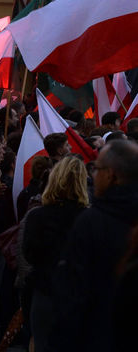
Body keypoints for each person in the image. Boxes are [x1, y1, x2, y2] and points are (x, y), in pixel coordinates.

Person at [49, 140, 138, 350]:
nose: (93, 175)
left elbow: (74, 294)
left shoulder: (91, 223)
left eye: (96, 169)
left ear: (112, 175)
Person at [21, 156, 88, 352]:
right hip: (77, 294)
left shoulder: (37, 216)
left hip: (45, 292)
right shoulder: (89, 218)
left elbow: (29, 254)